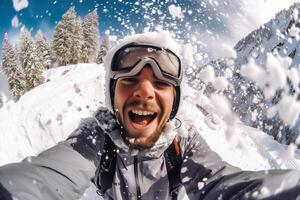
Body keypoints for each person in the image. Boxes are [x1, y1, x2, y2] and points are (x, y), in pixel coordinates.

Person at [1, 31, 300, 200]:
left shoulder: (183, 144)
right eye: (129, 80)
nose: (145, 92)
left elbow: (221, 183)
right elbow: (46, 177)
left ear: (174, 102)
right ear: (112, 97)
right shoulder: (95, 138)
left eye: (161, 84)